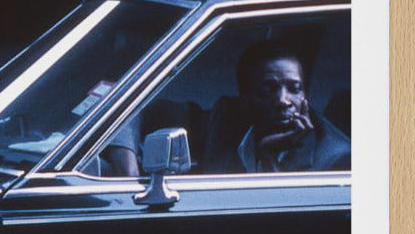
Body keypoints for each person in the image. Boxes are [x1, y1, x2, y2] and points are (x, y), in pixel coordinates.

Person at [104, 40, 351, 176]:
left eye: (294, 89)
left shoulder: (336, 158)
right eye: (269, 89)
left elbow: (285, 227)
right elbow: (129, 105)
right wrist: (127, 172)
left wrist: (267, 158)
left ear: (305, 97)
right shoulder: (225, 120)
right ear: (245, 99)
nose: (284, 100)